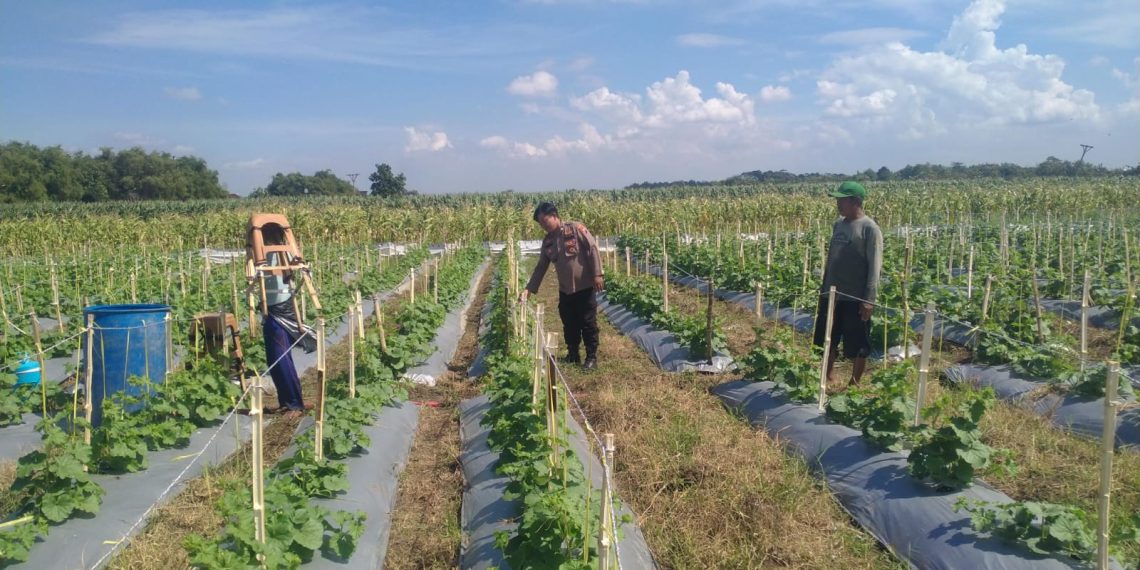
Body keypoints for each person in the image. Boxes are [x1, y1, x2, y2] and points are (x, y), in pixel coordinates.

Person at [814, 181, 883, 388]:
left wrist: (869, 299)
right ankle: (827, 376)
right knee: (828, 338)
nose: (838, 204)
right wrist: (824, 289)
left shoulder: (870, 228)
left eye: (841, 200)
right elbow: (831, 260)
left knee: (858, 342)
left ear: (855, 202)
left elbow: (875, 266)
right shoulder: (839, 224)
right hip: (832, 294)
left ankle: (854, 383)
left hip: (855, 296)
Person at [520, 202, 605, 370]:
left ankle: (591, 357)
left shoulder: (575, 228)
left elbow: (593, 249)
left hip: (584, 287)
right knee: (569, 322)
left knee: (588, 322)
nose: (543, 226)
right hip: (565, 290)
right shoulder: (548, 242)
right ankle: (573, 353)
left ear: (554, 215)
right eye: (540, 223)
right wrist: (529, 289)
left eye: (545, 221)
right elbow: (541, 266)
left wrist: (597, 274)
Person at [258, 226, 316, 418]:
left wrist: (298, 266)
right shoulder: (263, 255)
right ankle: (286, 401)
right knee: (275, 359)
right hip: (272, 310)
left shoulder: (280, 253)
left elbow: (296, 271)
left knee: (281, 358)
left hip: (281, 310)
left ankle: (294, 404)